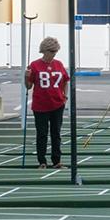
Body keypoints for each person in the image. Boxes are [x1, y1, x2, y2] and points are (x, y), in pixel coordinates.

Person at [24, 37, 69, 169]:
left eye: (55, 51)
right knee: (42, 134)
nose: (54, 54)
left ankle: (56, 160)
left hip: (57, 104)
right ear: (44, 51)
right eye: (51, 51)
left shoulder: (59, 64)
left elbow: (65, 81)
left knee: (56, 133)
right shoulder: (34, 65)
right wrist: (26, 76)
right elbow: (28, 86)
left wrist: (65, 96)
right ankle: (42, 161)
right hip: (40, 105)